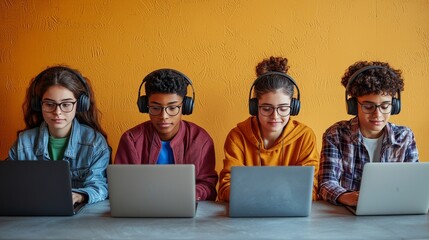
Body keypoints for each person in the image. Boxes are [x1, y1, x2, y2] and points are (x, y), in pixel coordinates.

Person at [218, 56, 320, 202]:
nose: (275, 116)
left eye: (283, 108)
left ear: (294, 107)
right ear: (254, 107)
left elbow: (310, 190)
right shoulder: (237, 136)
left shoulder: (305, 136)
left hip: (290, 214)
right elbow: (226, 188)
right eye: (266, 109)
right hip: (248, 213)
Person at [318, 60, 419, 206]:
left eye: (385, 106)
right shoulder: (335, 135)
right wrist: (345, 197)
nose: (377, 114)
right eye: (368, 106)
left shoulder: (405, 136)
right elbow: (326, 182)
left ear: (395, 106)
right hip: (349, 213)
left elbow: (414, 183)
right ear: (352, 106)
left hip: (394, 212)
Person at [8, 65, 111, 205]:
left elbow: (100, 186)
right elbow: (8, 185)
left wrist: (79, 196)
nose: (57, 112)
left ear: (80, 105)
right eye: (50, 104)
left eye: (66, 104)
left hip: (78, 219)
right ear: (38, 105)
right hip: (33, 216)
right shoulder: (23, 144)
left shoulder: (95, 143)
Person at [114, 68, 218, 201]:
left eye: (173, 108)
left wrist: (192, 194)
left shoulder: (200, 139)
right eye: (156, 108)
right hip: (142, 211)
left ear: (186, 107)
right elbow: (121, 187)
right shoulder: (131, 140)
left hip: (185, 209)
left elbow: (208, 186)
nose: (164, 116)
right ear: (145, 106)